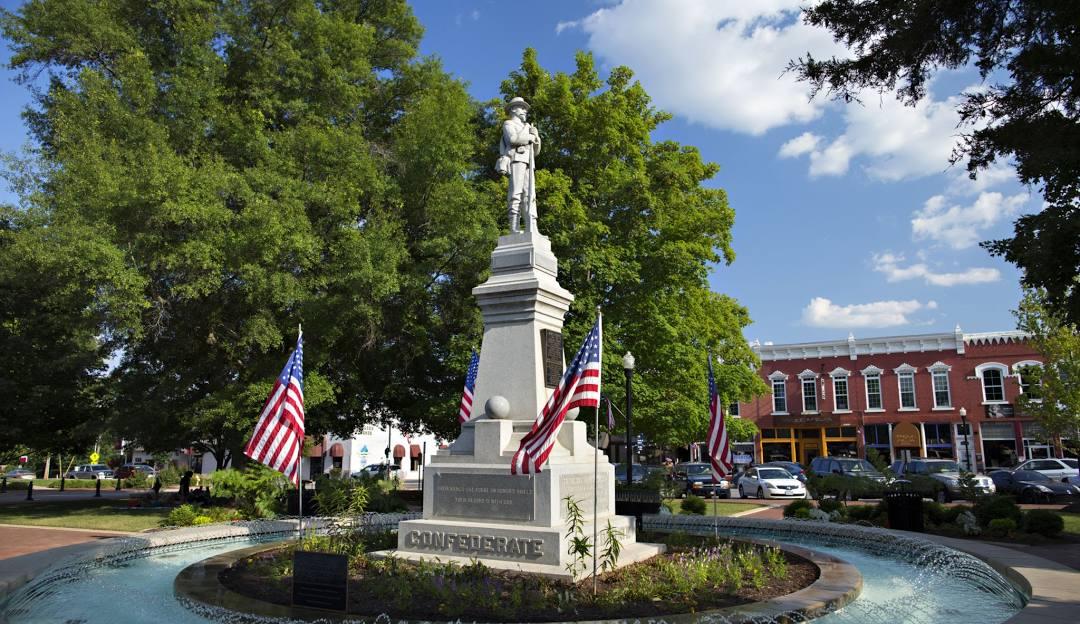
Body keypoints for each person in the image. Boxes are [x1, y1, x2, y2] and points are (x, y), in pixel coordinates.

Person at [496, 97, 541, 233]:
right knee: (516, 193)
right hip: (516, 159)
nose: (524, 111)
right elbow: (513, 139)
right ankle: (513, 227)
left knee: (530, 195)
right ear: (513, 109)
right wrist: (529, 135)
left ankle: (531, 227)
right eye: (521, 108)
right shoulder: (508, 124)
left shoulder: (527, 127)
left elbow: (536, 152)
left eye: (525, 109)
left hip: (528, 161)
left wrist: (536, 138)